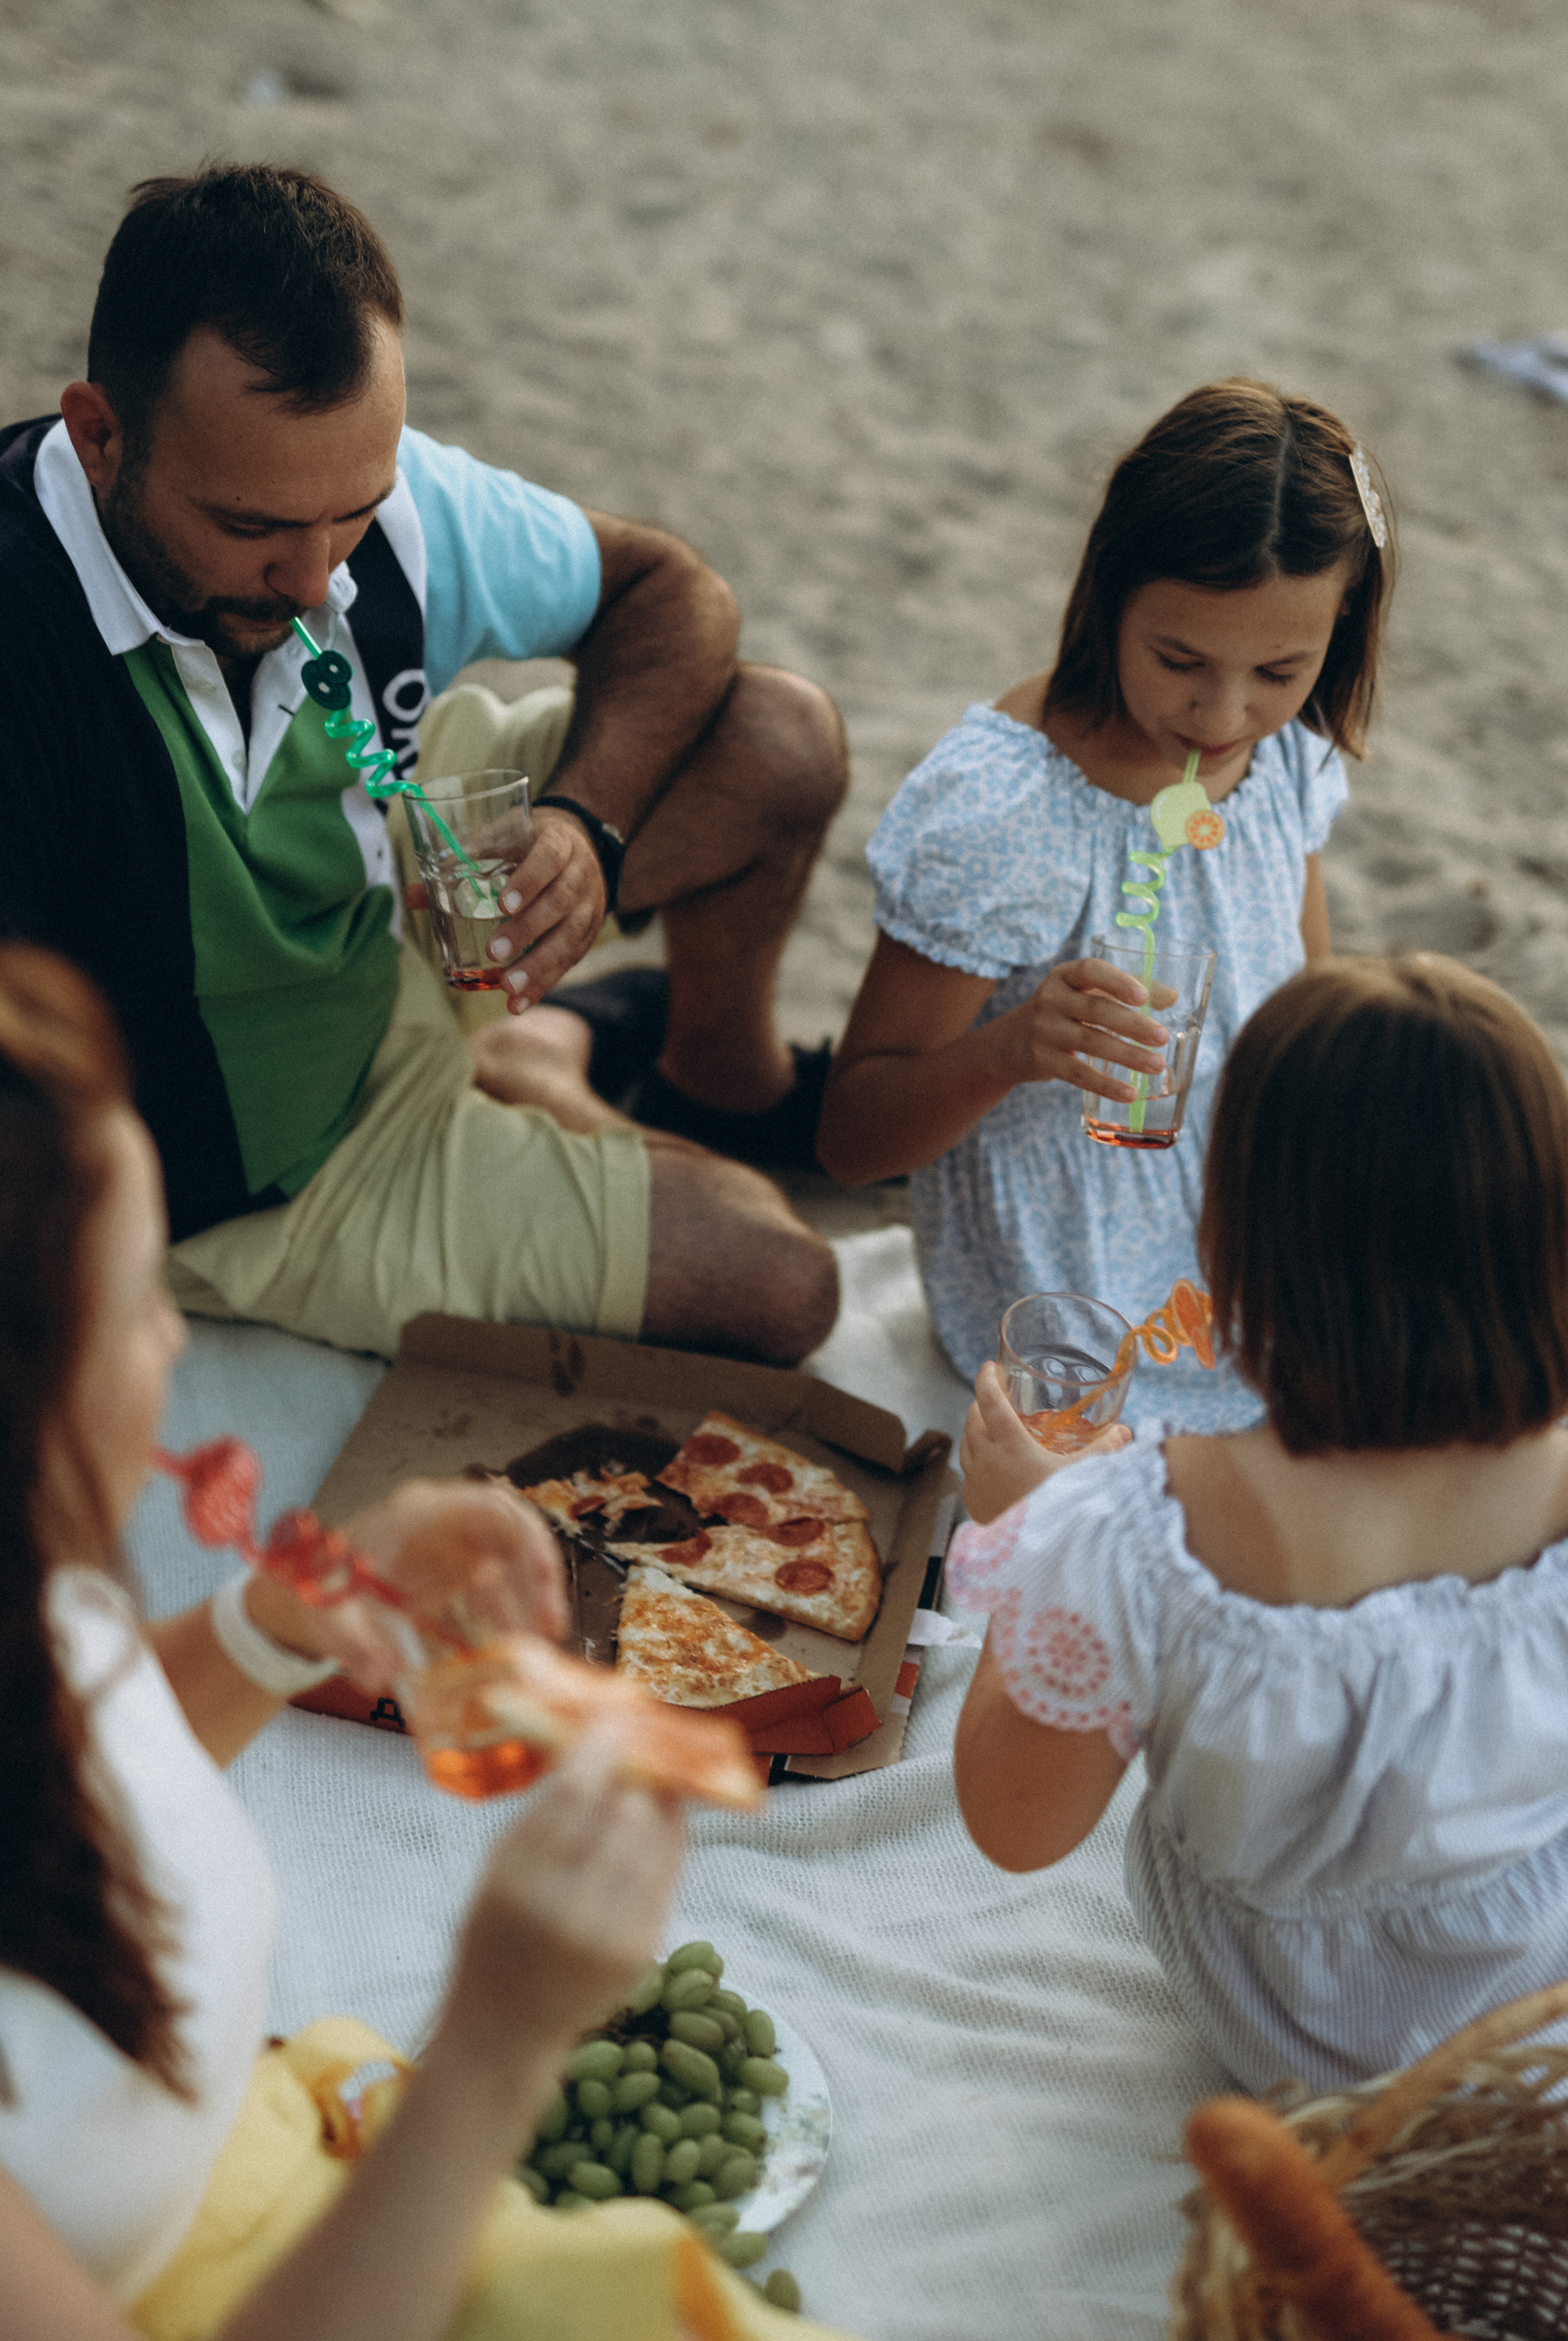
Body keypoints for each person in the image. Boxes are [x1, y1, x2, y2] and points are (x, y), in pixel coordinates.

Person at [0, 942, 876, 2341]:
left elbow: (64, 1762)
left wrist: (271, 1629)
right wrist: (493, 2047)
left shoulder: (30, 1584)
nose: (177, 1343)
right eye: (140, 1308)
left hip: (261, 2141)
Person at [0, 164, 842, 1370]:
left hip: (397, 897)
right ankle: (537, 1055)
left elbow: (671, 593)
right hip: (259, 1174)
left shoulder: (349, 507)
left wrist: (581, 832)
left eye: (352, 510)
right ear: (99, 435)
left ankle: (696, 1078)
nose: (314, 579)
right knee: (784, 1286)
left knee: (775, 738)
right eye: (250, 528)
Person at [946, 955, 1568, 2094]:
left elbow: (1012, 1827)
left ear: (1234, 1236)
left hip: (1300, 2045)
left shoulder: (1146, 1537)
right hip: (1539, 2008)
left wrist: (1035, 1541)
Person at [816, 380, 1394, 1429]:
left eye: (1279, 669)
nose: (1223, 715)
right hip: (1071, 1289)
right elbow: (853, 1141)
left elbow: (1303, 1022)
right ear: (1108, 593)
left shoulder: (1288, 757)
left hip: (1246, 1230)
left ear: (1339, 631)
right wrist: (1012, 1050)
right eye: (1179, 661)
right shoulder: (1005, 808)